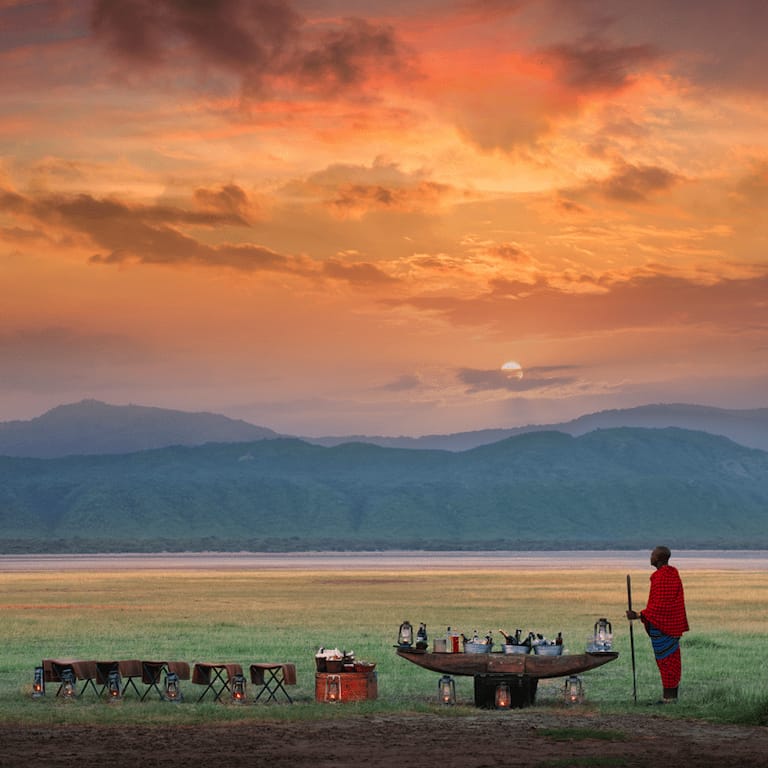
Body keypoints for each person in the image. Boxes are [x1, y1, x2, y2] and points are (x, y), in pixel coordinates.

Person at [626, 546, 689, 703]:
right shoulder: (670, 575)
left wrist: (639, 614)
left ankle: (670, 698)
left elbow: (661, 606)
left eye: (653, 554)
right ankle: (669, 697)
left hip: (665, 626)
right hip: (668, 625)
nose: (651, 557)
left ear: (659, 558)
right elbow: (659, 604)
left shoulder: (662, 577)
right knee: (668, 662)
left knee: (668, 662)